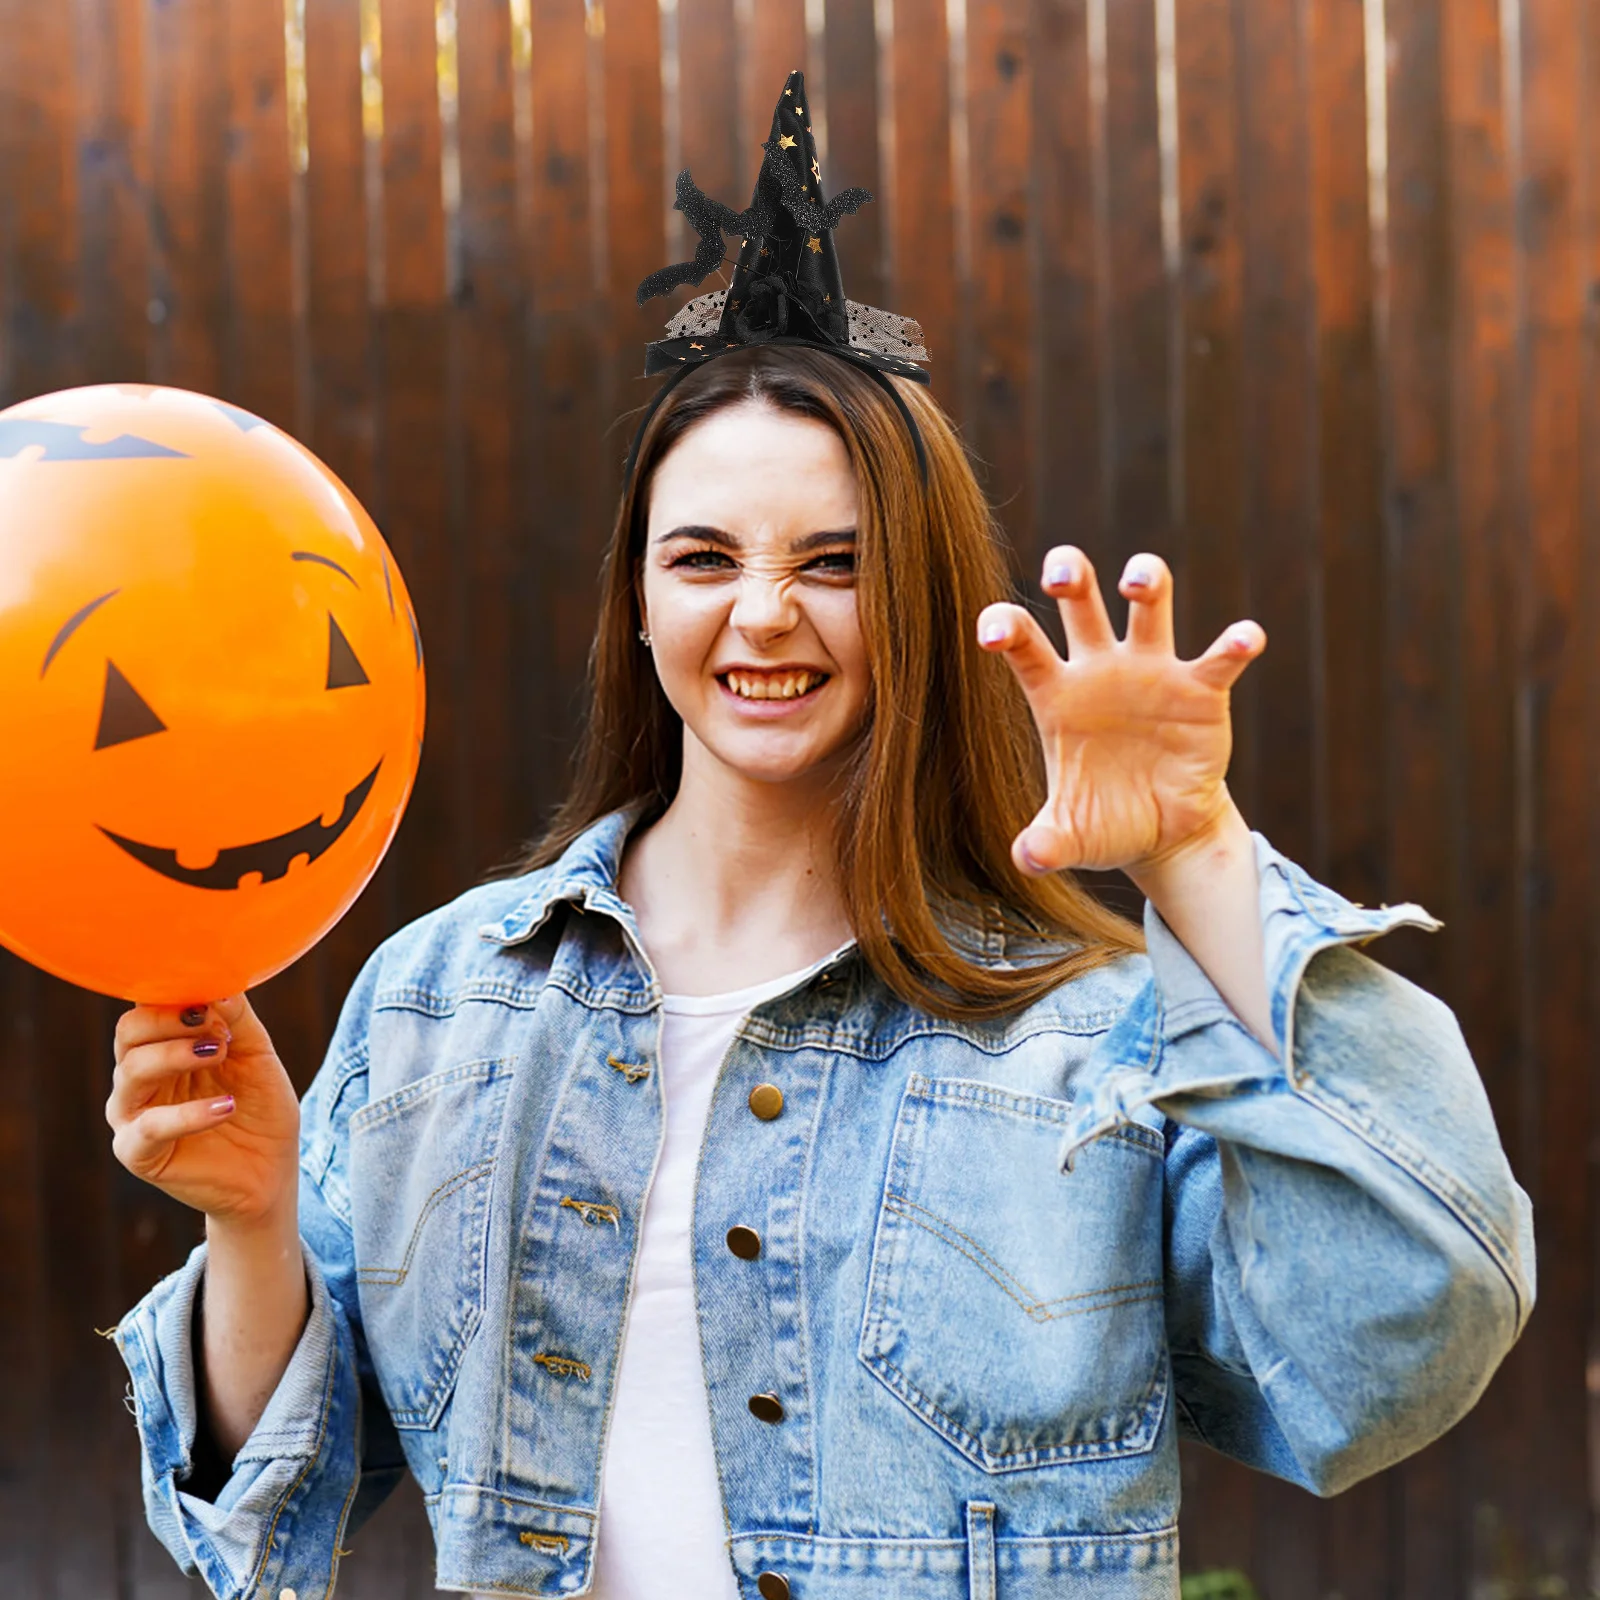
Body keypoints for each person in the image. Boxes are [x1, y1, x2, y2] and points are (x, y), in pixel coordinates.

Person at [109, 72, 1532, 1600]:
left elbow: (1398, 1339)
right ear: (639, 602)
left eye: (835, 562)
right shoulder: (443, 1005)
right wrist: (253, 1218)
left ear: (914, 596)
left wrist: (1195, 846)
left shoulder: (1088, 1038)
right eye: (704, 556)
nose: (764, 613)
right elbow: (273, 1507)